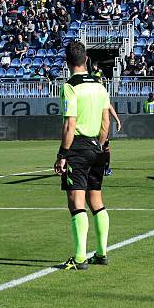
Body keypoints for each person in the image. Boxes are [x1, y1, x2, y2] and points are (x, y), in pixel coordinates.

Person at [54, 41, 111, 270]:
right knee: (96, 200)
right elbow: (106, 121)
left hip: (77, 147)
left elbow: (70, 123)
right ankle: (102, 253)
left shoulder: (69, 87)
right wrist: (100, 144)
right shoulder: (99, 85)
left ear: (67, 63)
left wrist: (62, 154)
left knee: (76, 201)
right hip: (97, 148)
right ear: (86, 59)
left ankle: (79, 258)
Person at [102, 104, 122, 176]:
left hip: (100, 126)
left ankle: (105, 169)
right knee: (104, 148)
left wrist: (118, 120)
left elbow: (109, 106)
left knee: (104, 147)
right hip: (98, 126)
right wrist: (118, 121)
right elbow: (109, 106)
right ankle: (105, 169)